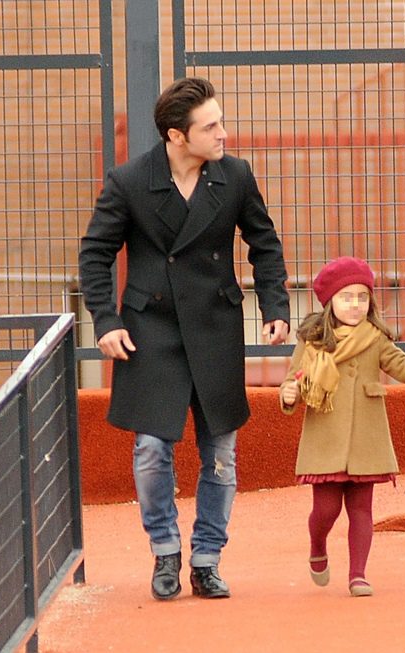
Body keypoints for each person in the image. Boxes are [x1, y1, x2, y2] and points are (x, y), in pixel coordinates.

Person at [79, 77, 290, 601]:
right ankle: (166, 550)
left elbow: (264, 244)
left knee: (220, 452)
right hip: (150, 329)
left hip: (215, 327)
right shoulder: (130, 181)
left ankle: (207, 558)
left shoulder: (235, 176)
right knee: (152, 449)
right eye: (211, 126)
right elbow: (95, 255)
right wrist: (106, 322)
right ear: (177, 136)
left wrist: (276, 307)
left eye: (220, 121)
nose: (223, 133)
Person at [279, 256, 405, 597]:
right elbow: (291, 382)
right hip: (325, 438)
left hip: (367, 439)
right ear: (329, 302)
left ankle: (358, 574)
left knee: (361, 509)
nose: (355, 305)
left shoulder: (376, 338)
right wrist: (290, 394)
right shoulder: (312, 341)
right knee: (325, 510)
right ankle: (317, 544)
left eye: (362, 297)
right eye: (346, 297)